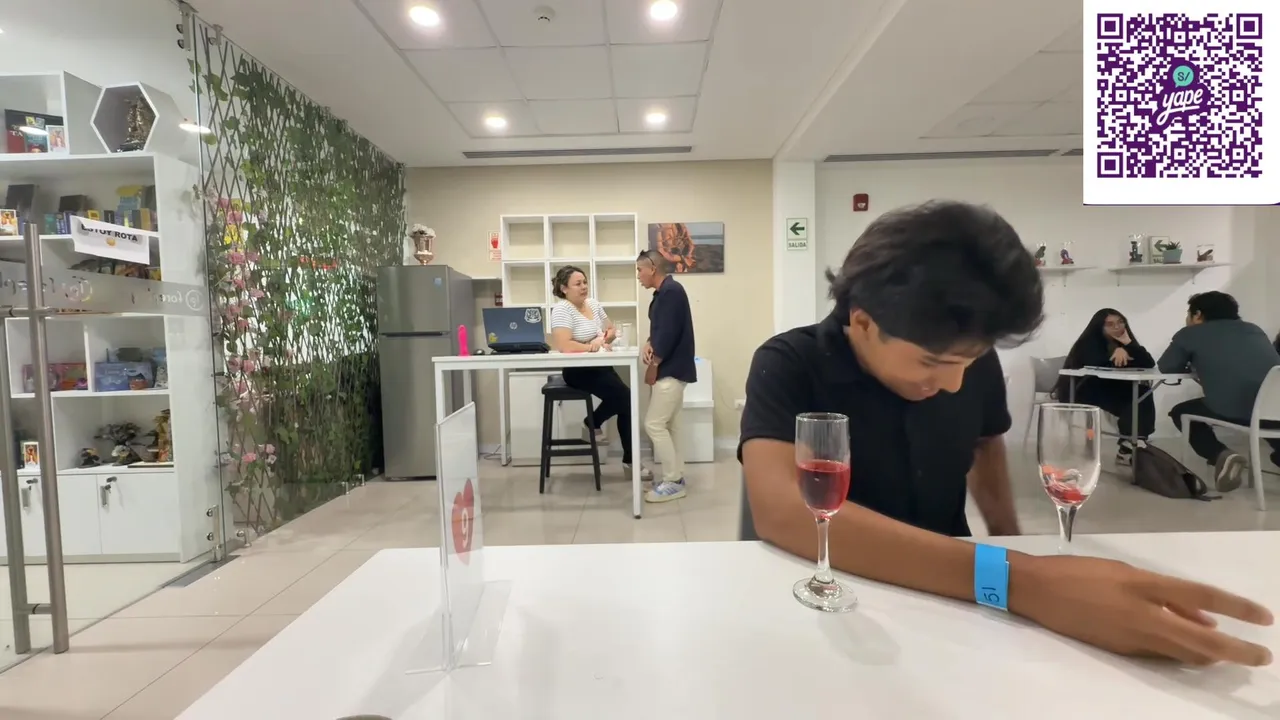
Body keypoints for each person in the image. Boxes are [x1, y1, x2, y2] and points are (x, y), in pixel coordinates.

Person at [740, 201, 1273, 666]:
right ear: (863, 322)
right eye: (932, 362)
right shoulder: (789, 363)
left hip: (949, 590)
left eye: (969, 361)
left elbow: (984, 443)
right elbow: (783, 512)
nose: (954, 384)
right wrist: (1024, 581)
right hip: (824, 592)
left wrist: (1008, 538)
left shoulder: (970, 362)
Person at [1159, 291, 1280, 492]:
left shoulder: (1190, 334)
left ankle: (1221, 455)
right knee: (1265, 419)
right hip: (1274, 409)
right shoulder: (1254, 330)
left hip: (1237, 410)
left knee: (1181, 411)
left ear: (1198, 314)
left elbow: (1167, 366)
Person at [548, 265, 649, 479]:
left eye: (585, 282)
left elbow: (610, 329)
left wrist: (605, 337)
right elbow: (564, 345)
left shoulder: (593, 304)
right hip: (578, 371)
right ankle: (593, 425)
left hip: (601, 365)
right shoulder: (561, 310)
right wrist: (591, 345)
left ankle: (628, 459)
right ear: (564, 288)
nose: (584, 287)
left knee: (627, 402)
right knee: (626, 398)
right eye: (578, 283)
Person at [1054, 309, 1156, 466]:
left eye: (1120, 322)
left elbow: (1148, 363)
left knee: (1143, 393)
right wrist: (1119, 354)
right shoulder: (1088, 342)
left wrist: (1128, 344)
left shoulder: (1126, 342)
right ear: (1100, 327)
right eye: (1110, 324)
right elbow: (1100, 365)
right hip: (1084, 388)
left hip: (1110, 387)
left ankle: (1133, 442)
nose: (1117, 327)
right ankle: (1131, 443)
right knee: (1133, 398)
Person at [637, 250, 696, 502]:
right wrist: (649, 342)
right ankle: (676, 477)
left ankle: (673, 481)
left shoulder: (671, 292)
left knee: (654, 424)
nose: (638, 276)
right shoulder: (665, 292)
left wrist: (654, 364)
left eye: (639, 270)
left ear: (652, 268)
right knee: (671, 425)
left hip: (671, 369)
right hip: (674, 369)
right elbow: (661, 328)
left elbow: (669, 334)